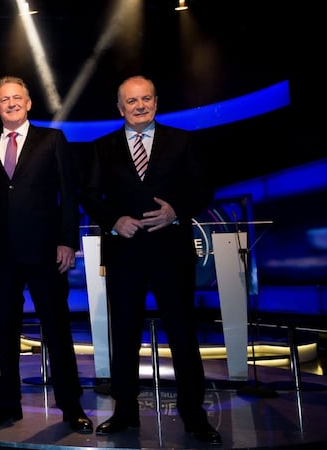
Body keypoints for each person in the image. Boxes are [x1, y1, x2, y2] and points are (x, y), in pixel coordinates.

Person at [79, 75, 220, 445]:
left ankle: (195, 415)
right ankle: (124, 413)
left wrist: (176, 210)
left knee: (183, 336)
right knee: (124, 336)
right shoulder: (101, 147)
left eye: (146, 99)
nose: (139, 106)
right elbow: (89, 195)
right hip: (125, 254)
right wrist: (113, 220)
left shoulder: (183, 141)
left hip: (171, 253)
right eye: (131, 101)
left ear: (156, 102)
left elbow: (203, 188)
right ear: (120, 108)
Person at [0, 76, 92, 433]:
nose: (10, 103)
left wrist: (67, 241)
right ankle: (6, 404)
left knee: (56, 329)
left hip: (46, 252)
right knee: (6, 333)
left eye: (17, 97)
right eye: (3, 99)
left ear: (28, 104)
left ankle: (71, 407)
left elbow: (69, 195)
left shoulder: (52, 140)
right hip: (2, 256)